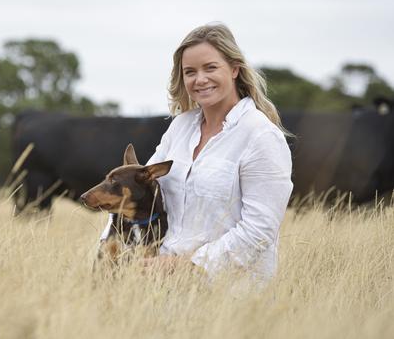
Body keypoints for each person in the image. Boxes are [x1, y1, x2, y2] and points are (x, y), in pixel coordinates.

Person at [101, 23, 293, 282]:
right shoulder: (180, 127)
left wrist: (188, 265)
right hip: (161, 289)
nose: (199, 79)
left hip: (230, 294)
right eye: (190, 71)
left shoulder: (261, 136)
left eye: (210, 68)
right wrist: (107, 248)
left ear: (235, 69)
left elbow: (259, 230)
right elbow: (138, 193)